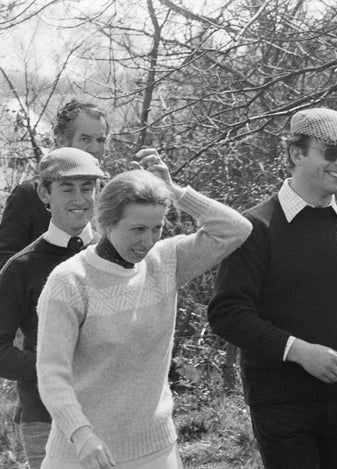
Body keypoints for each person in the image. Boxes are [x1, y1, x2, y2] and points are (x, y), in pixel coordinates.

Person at [207, 107, 337, 469]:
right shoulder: (255, 227)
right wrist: (298, 351)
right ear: (297, 153)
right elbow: (227, 313)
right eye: (331, 152)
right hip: (281, 405)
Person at [35, 155, 252, 469]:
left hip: (155, 451)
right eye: (137, 229)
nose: (148, 241)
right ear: (107, 222)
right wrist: (82, 436)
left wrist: (174, 190)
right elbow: (52, 374)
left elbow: (236, 229)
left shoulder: (166, 261)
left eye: (157, 228)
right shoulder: (70, 281)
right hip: (82, 454)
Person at [0, 148, 105, 469]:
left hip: (112, 415)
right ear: (44, 192)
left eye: (87, 187)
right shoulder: (21, 267)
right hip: (45, 420)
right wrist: (54, 370)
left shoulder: (115, 254)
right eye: (66, 188)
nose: (80, 198)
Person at [0, 100, 109, 268]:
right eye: (85, 139)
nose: (95, 148)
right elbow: (5, 262)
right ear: (61, 140)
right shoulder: (30, 193)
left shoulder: (110, 193)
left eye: (101, 140)